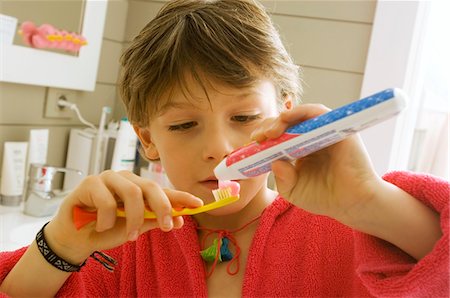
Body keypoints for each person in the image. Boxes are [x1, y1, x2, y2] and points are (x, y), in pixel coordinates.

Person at [1, 0, 448, 296]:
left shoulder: (349, 228)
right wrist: (59, 244)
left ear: (284, 116)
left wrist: (368, 201)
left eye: (245, 118)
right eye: (183, 124)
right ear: (148, 139)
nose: (218, 148)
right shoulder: (123, 243)